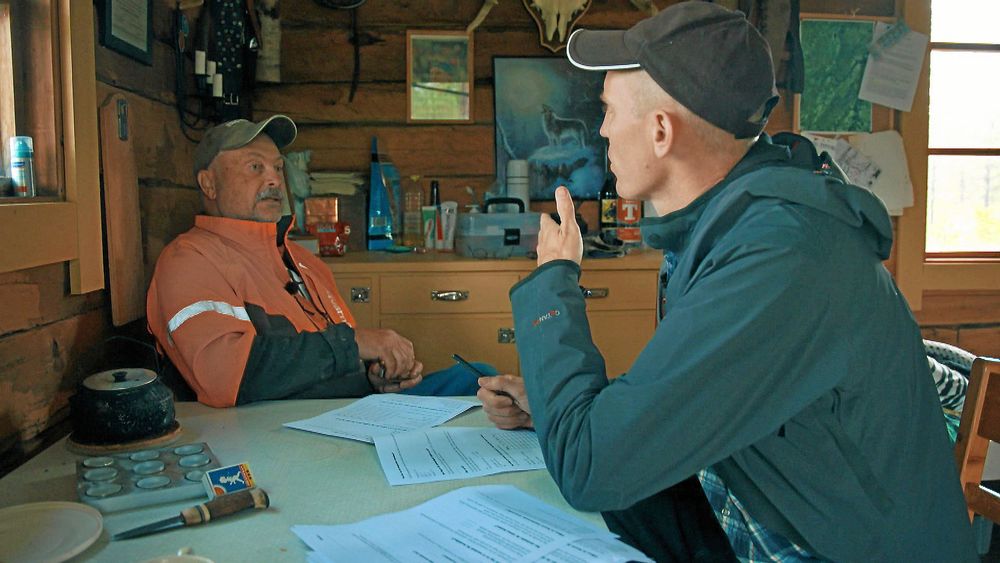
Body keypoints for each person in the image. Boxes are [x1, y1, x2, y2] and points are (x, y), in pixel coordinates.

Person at [478, 3, 977, 561]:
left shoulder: (781, 257)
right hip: (767, 510)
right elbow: (703, 384)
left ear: (661, 131)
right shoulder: (741, 226)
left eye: (610, 111)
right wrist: (557, 408)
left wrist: (554, 278)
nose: (601, 131)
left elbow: (590, 468)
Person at [147, 115, 489, 407]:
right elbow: (222, 375)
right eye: (255, 167)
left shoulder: (303, 260)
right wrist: (353, 343)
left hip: (354, 408)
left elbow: (336, 360)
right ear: (208, 183)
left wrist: (376, 378)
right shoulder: (190, 260)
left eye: (278, 168)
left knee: (482, 381)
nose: (273, 180)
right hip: (290, 430)